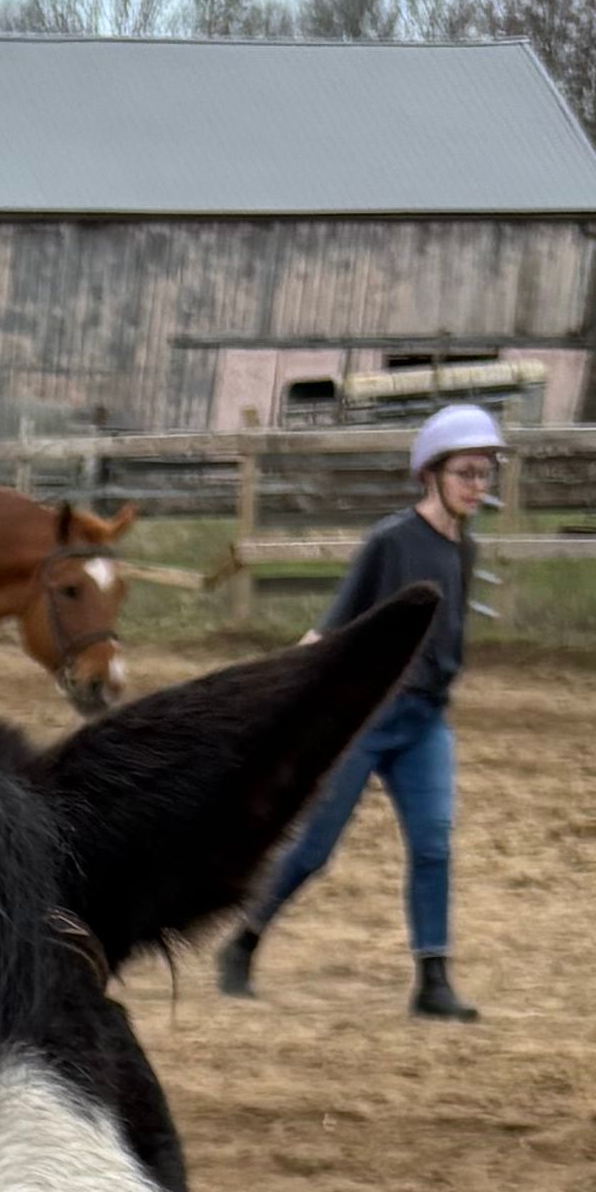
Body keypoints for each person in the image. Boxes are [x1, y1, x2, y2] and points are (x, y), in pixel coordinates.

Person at [219, 402, 503, 1020]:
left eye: (486, 474)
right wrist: (279, 690)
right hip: (367, 719)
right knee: (315, 847)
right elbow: (334, 626)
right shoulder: (391, 542)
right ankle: (244, 942)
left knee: (433, 844)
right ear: (432, 473)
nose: (479, 486)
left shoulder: (464, 550)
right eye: (468, 473)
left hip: (425, 721)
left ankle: (433, 980)